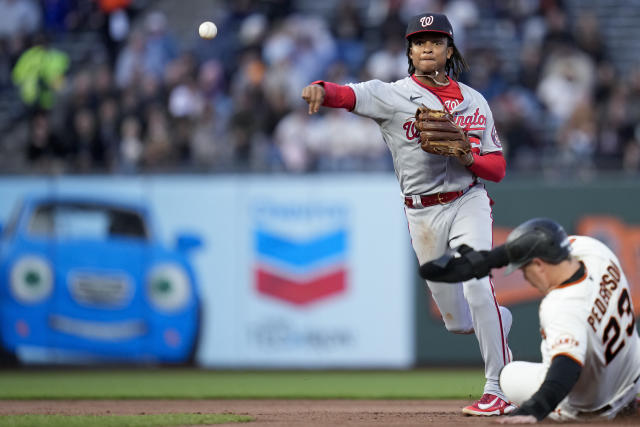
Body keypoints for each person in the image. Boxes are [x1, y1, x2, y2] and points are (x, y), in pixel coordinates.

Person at [301, 13, 514, 416]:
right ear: (410, 52)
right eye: (419, 42)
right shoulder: (391, 94)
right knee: (457, 321)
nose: (427, 47)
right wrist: (319, 90)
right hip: (422, 214)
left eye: (436, 40)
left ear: (450, 50)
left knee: (476, 282)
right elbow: (346, 95)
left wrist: (468, 156)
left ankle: (496, 388)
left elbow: (497, 169)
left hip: (468, 199)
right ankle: (498, 321)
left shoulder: (474, 101)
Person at [420, 218, 640, 423]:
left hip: (595, 403)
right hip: (630, 373)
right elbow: (534, 245)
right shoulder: (597, 252)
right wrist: (486, 261)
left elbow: (567, 367)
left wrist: (535, 409)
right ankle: (629, 398)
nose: (525, 277)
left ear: (539, 265)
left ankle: (577, 410)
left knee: (508, 375)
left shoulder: (561, 305)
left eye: (525, 269)